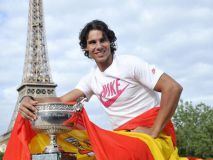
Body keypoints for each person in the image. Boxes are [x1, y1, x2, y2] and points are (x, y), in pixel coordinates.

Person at [19, 20, 183, 159]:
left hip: (150, 136)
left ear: (110, 42)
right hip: (121, 137)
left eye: (102, 40)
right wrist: (29, 99)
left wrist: (154, 130)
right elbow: (62, 101)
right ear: (86, 48)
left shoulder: (129, 64)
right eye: (92, 42)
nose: (98, 46)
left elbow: (173, 88)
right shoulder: (92, 78)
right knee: (75, 152)